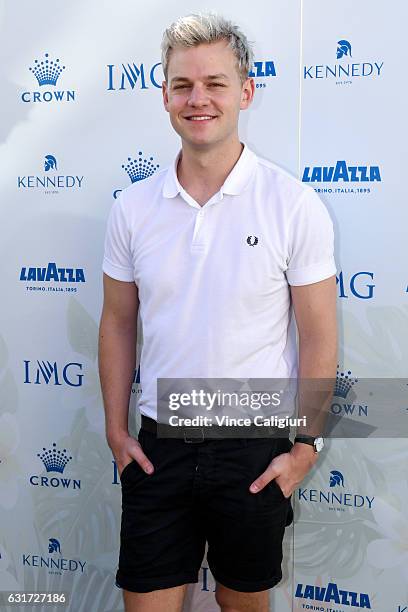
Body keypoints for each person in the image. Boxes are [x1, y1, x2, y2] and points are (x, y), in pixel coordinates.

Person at [98, 12, 337, 612]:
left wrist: (306, 445)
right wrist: (115, 428)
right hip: (159, 447)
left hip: (253, 446)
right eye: (182, 85)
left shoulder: (293, 204)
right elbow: (118, 321)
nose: (197, 99)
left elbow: (319, 336)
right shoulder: (132, 208)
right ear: (165, 96)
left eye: (215, 83)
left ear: (246, 92)